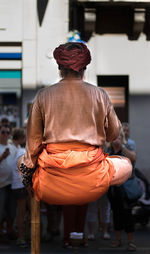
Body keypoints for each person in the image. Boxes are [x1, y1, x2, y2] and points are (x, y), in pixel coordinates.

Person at [18, 42, 132, 208]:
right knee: (126, 165)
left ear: (59, 67)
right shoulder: (100, 94)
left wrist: (28, 175)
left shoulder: (43, 95)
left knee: (21, 160)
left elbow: (33, 145)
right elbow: (113, 134)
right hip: (92, 182)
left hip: (50, 185)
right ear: (85, 68)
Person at [107, 128, 137, 251]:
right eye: (114, 138)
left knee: (128, 215)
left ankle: (131, 242)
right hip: (113, 190)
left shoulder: (127, 150)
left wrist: (122, 147)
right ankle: (118, 240)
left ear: (122, 138)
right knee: (116, 215)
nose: (116, 140)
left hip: (125, 190)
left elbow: (134, 158)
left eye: (118, 137)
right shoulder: (108, 151)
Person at [11, 128, 30, 247]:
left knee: (27, 212)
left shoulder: (22, 151)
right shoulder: (22, 152)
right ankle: (21, 237)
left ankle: (24, 235)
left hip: (22, 186)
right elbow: (23, 172)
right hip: (21, 186)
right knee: (22, 213)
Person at [0, 125, 16, 242]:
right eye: (3, 132)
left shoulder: (12, 147)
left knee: (12, 209)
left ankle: (9, 230)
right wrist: (2, 157)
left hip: (12, 183)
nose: (6, 135)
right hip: (1, 184)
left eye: (7, 133)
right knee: (0, 209)